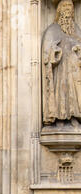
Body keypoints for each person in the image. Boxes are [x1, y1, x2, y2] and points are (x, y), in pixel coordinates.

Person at [42, 0, 81, 128]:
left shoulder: (76, 29)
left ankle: (74, 116)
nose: (68, 9)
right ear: (59, 10)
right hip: (59, 70)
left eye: (70, 6)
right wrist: (56, 51)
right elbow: (47, 51)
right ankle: (59, 118)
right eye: (65, 6)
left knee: (73, 94)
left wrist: (77, 50)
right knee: (60, 93)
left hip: (74, 71)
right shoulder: (53, 29)